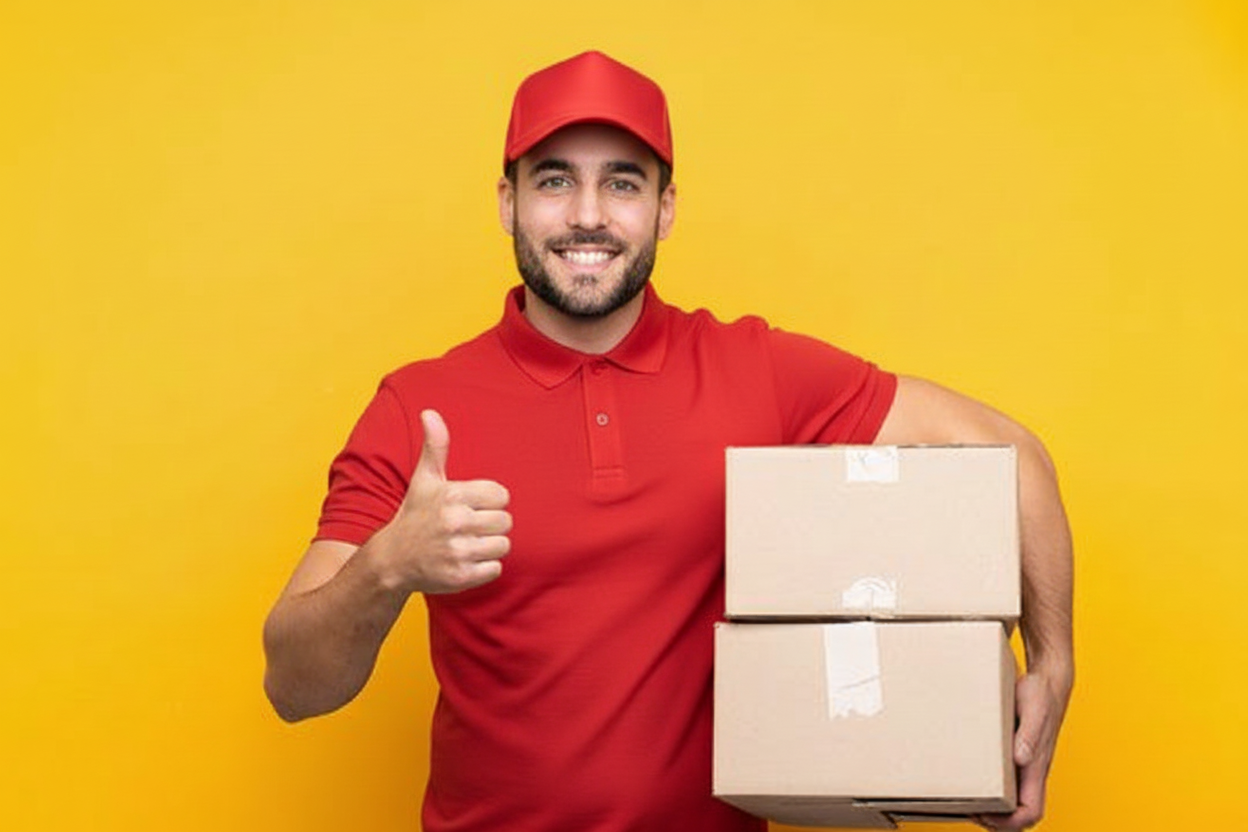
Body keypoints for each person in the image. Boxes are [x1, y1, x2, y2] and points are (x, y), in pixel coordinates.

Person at [262, 51, 1073, 832]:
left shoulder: (759, 371)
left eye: (622, 183)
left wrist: (1052, 660)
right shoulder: (419, 406)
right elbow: (295, 688)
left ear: (666, 208)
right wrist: (389, 565)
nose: (587, 214)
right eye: (554, 181)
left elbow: (1014, 456)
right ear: (507, 202)